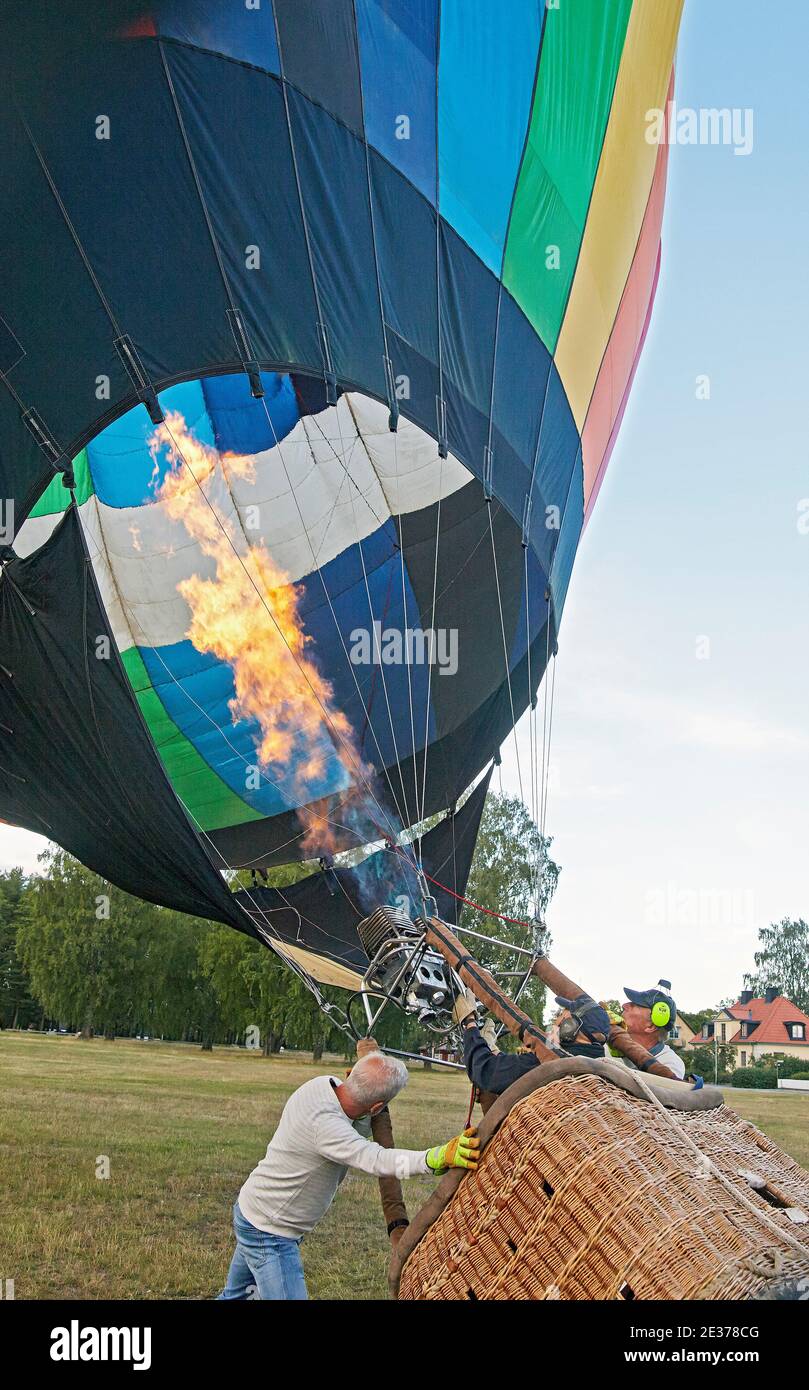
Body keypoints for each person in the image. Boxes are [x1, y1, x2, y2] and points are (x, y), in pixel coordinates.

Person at [217, 1050, 479, 1300]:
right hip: (270, 1232)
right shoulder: (327, 1128)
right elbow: (375, 1159)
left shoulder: (321, 1085)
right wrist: (434, 1158)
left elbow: (353, 1123)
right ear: (377, 1107)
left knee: (236, 1296)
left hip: (253, 1211)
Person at [453, 988, 612, 1096]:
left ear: (571, 1026)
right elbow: (513, 1070)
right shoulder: (604, 1069)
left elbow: (485, 1071)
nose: (555, 1022)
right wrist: (491, 1047)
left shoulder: (554, 1063)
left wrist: (469, 1022)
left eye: (561, 1016)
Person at [620, 979, 685, 1080]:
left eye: (634, 1005)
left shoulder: (670, 1064)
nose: (624, 1005)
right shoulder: (610, 1045)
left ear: (650, 1026)